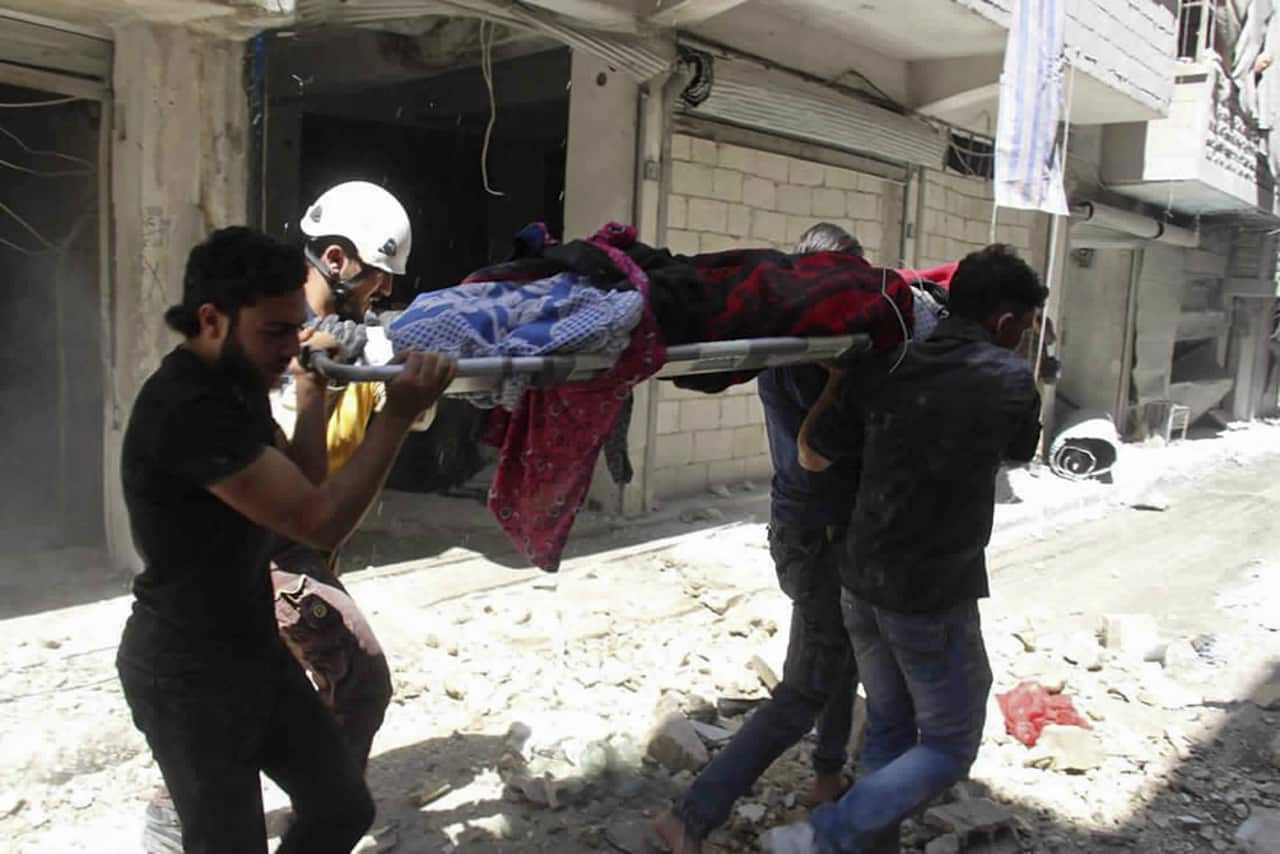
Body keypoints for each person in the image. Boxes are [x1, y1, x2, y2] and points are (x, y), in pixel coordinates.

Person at [116, 226, 455, 854]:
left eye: (295, 327)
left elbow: (303, 481)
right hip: (186, 669)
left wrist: (311, 393)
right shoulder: (190, 410)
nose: (291, 345)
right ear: (211, 320)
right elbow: (318, 520)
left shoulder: (235, 384)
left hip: (249, 649)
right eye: (274, 331)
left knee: (342, 808)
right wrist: (397, 414)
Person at [762, 244, 1047, 853]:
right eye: (1024, 327)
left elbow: (817, 450)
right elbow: (1020, 450)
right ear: (1003, 321)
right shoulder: (1007, 377)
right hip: (929, 593)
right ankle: (822, 835)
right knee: (950, 742)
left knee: (891, 725)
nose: (1023, 338)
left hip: (860, 579)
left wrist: (842, 380)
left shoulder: (888, 363)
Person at [655, 223, 867, 853]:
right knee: (804, 688)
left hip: (813, 530)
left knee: (842, 656)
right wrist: (848, 378)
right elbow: (817, 451)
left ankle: (826, 775)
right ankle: (688, 818)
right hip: (818, 535)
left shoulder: (801, 343)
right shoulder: (810, 356)